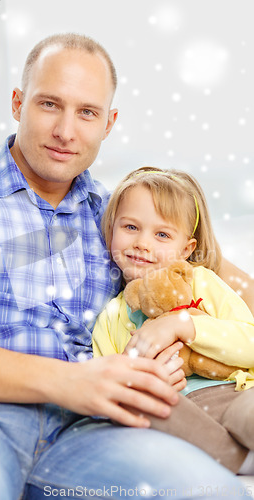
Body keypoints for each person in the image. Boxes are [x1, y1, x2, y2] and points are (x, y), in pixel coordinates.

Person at [0, 33, 251, 500]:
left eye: (87, 113)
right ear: (18, 103)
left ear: (109, 122)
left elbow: (218, 272)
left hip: (92, 431)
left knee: (215, 494)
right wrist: (72, 381)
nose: (66, 131)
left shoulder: (119, 217)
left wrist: (184, 329)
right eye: (49, 104)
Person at [92, 166, 254, 475]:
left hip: (234, 391)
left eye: (162, 234)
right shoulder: (112, 314)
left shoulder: (203, 283)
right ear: (111, 228)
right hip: (175, 407)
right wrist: (135, 373)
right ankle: (242, 461)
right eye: (130, 227)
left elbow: (250, 342)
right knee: (145, 413)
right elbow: (108, 388)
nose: (142, 243)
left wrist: (185, 324)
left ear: (186, 249)